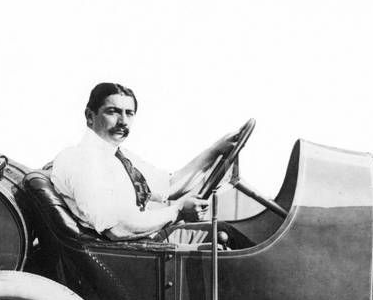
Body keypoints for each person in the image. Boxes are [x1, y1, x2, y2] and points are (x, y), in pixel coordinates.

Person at [50, 82, 236, 242]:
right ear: (90, 116)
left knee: (226, 232)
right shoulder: (81, 160)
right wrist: (178, 211)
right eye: (112, 112)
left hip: (144, 242)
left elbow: (169, 186)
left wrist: (215, 151)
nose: (123, 121)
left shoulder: (119, 156)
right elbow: (117, 228)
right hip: (128, 253)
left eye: (129, 113)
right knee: (228, 236)